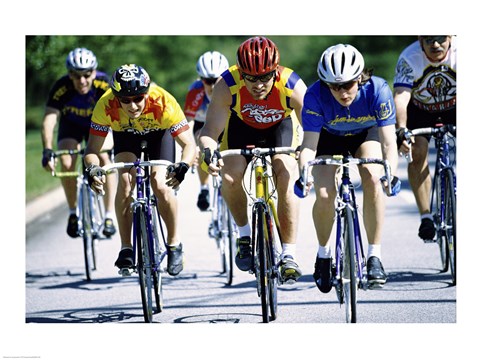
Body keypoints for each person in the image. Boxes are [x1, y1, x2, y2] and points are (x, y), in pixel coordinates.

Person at [199, 36, 307, 283]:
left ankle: (289, 254)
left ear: (275, 71)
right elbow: (209, 132)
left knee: (287, 173)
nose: (258, 85)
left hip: (281, 127)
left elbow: (312, 129)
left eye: (264, 77)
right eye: (250, 77)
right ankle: (244, 234)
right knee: (229, 174)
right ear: (240, 73)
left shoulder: (292, 84)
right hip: (241, 129)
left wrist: (305, 152)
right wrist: (208, 151)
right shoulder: (226, 84)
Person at [295, 44, 401, 292]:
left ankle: (374, 256)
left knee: (373, 178)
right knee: (323, 194)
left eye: (348, 85)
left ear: (360, 77)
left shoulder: (378, 90)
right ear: (325, 84)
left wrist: (391, 173)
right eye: (334, 86)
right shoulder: (314, 95)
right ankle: (323, 255)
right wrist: (304, 174)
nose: (342, 92)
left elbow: (388, 142)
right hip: (327, 138)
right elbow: (309, 145)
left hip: (365, 135)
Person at [83, 64, 196, 276]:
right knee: (125, 184)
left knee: (160, 185)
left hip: (158, 136)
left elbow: (189, 144)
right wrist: (92, 168)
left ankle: (174, 243)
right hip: (126, 137)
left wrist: (183, 165)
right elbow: (91, 150)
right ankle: (126, 247)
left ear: (147, 93)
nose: (132, 105)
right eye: (125, 100)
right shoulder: (105, 104)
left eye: (138, 98)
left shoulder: (163, 101)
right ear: (116, 98)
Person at [41, 47, 117, 238]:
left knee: (104, 160)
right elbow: (50, 119)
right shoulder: (61, 87)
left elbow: (118, 113)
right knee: (67, 163)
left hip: (98, 125)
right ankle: (73, 212)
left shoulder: (104, 83)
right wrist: (47, 150)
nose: (82, 80)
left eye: (87, 74)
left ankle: (109, 215)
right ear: (69, 74)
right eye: (76, 75)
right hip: (71, 126)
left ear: (94, 71)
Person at [393, 36, 456, 241]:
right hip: (420, 110)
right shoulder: (409, 58)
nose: (435, 45)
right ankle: (426, 216)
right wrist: (401, 129)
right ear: (420, 41)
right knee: (417, 152)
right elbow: (401, 98)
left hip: (455, 107)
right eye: (429, 39)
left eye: (440, 38)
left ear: (451, 37)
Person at [184, 51, 229, 211]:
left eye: (216, 81)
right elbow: (188, 123)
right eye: (207, 81)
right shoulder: (195, 91)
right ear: (200, 79)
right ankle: (204, 188)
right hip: (203, 124)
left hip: (225, 122)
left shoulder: (231, 88)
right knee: (202, 149)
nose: (212, 86)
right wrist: (192, 147)